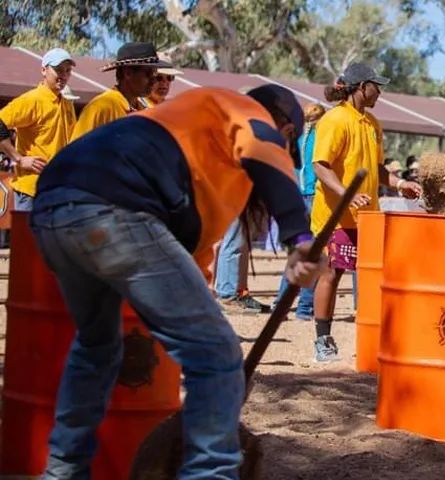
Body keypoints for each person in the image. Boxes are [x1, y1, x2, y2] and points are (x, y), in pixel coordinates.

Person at [29, 85, 325, 478]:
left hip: (53, 207)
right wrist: (299, 237)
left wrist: (219, 373)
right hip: (116, 206)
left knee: (97, 346)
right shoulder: (243, 110)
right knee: (217, 354)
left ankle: (63, 471)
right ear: (285, 130)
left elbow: (188, 268)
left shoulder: (190, 128)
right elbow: (264, 146)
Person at [310, 62, 422, 362]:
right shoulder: (334, 120)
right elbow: (320, 166)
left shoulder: (372, 124)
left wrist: (400, 183)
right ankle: (323, 340)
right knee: (331, 273)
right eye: (376, 85)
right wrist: (346, 195)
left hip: (368, 217)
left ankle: (376, 339)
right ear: (362, 87)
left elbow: (378, 168)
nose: (380, 92)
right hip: (334, 217)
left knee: (373, 277)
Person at [0, 48, 77, 212]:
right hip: (32, 191)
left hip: (59, 190)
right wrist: (19, 159)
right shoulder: (32, 100)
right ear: (44, 70)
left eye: (68, 70)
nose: (63, 75)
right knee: (27, 238)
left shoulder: (67, 103)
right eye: (58, 70)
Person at [274, 102, 326, 319]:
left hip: (294, 196)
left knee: (295, 253)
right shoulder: (321, 138)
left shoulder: (294, 138)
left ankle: (281, 304)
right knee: (313, 254)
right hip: (314, 197)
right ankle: (305, 308)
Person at [70, 42, 162, 141]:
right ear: (128, 73)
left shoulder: (144, 111)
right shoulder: (101, 108)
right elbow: (75, 153)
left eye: (155, 73)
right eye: (148, 73)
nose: (154, 80)